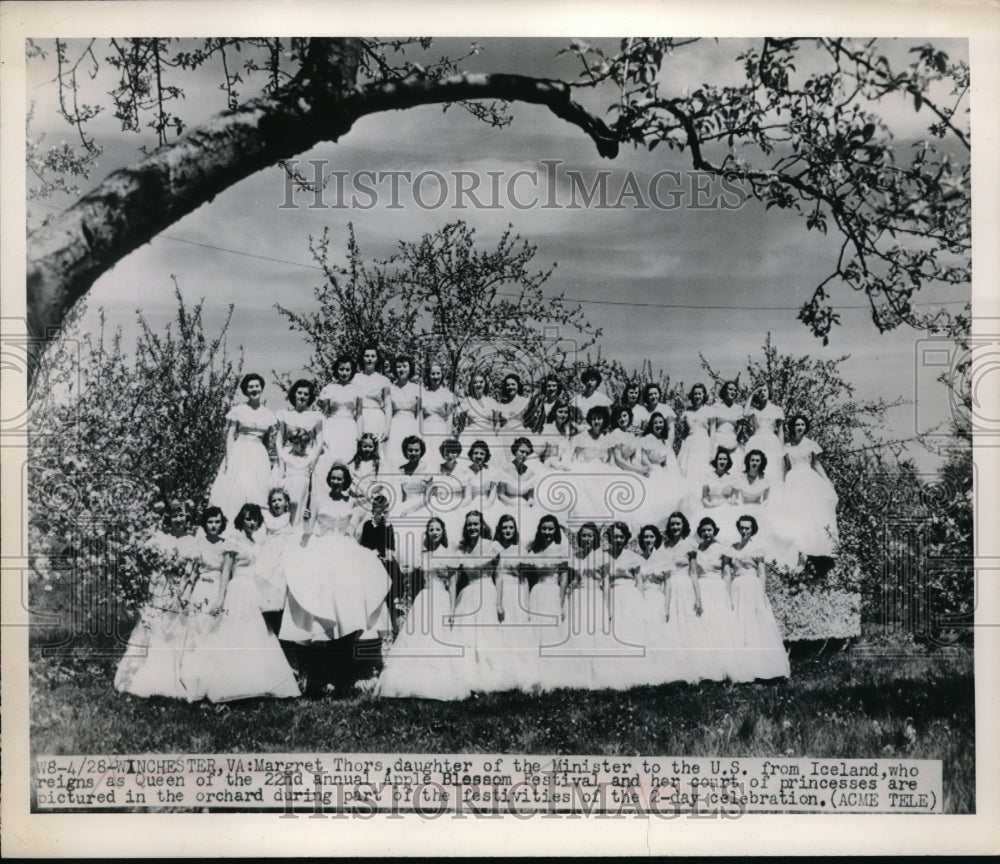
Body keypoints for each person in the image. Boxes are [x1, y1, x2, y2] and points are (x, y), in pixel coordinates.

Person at [278, 464, 391, 694]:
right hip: (322, 544)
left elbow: (352, 528)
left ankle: (349, 654)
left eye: (341, 479)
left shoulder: (351, 502)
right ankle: (321, 659)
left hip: (345, 545)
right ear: (328, 480)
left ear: (346, 481)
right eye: (333, 478)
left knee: (355, 583)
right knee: (322, 587)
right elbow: (308, 528)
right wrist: (308, 519)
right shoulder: (318, 498)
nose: (337, 482)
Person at [178, 506, 300, 702]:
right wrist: (220, 598)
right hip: (237, 590)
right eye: (248, 519)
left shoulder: (256, 543)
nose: (251, 523)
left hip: (251, 591)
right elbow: (226, 572)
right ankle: (229, 683)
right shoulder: (233, 541)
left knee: (256, 633)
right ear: (241, 520)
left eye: (255, 520)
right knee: (233, 633)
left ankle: (258, 680)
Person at [377, 518, 470, 700]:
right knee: (418, 638)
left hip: (441, 598)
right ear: (427, 532)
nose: (434, 532)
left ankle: (438, 683)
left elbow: (452, 584)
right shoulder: (423, 555)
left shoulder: (449, 554)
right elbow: (416, 578)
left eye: (437, 529)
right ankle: (411, 680)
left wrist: (451, 610)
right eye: (431, 529)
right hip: (424, 598)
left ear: (443, 532)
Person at [115, 500, 197, 699]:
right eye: (175, 515)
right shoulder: (159, 539)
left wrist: (185, 590)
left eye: (182, 515)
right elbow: (144, 562)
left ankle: (175, 677)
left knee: (175, 631)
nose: (179, 519)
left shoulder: (192, 541)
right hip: (159, 587)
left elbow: (194, 570)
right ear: (169, 517)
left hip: (179, 591)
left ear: (187, 518)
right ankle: (145, 677)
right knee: (154, 629)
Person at [728, 515, 791, 681]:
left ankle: (764, 667)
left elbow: (762, 573)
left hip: (752, 587)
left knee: (755, 622)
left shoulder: (757, 548)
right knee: (739, 622)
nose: (744, 531)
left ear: (752, 529)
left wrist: (762, 594)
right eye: (741, 527)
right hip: (737, 587)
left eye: (747, 528)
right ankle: (742, 667)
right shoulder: (733, 548)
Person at [209, 373, 277, 519]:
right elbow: (229, 436)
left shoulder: (268, 414)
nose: (254, 389)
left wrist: (268, 461)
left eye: (257, 386)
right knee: (237, 488)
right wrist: (229, 459)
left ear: (262, 388)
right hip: (240, 451)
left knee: (257, 489)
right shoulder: (238, 410)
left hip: (259, 454)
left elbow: (267, 441)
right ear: (246, 390)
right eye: (250, 387)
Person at [635, 524, 692, 685]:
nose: (648, 540)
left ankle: (663, 669)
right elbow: (638, 583)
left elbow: (667, 584)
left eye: (651, 537)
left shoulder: (663, 559)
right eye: (645, 537)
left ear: (656, 538)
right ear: (641, 539)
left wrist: (666, 607)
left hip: (658, 599)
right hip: (643, 598)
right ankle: (646, 670)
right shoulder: (637, 559)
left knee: (660, 633)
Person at [777, 415, 839, 559]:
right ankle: (799, 549)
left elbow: (816, 464)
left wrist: (827, 480)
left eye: (802, 425)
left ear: (806, 427)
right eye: (797, 425)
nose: (799, 427)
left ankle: (816, 548)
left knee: (813, 513)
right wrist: (782, 484)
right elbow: (785, 467)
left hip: (809, 479)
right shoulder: (786, 446)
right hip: (793, 480)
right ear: (793, 427)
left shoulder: (811, 444)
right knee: (797, 513)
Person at [690, 517, 742, 682]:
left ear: (714, 531)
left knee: (719, 625)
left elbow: (726, 573)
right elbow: (693, 573)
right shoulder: (696, 549)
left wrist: (727, 595)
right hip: (701, 588)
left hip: (717, 589)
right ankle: (704, 667)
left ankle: (722, 667)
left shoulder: (722, 549)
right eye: (703, 530)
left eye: (709, 530)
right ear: (700, 532)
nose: (706, 533)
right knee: (702, 626)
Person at [524, 514, 571, 689]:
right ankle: (536, 675)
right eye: (544, 528)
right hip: (537, 593)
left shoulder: (561, 549)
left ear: (556, 530)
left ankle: (553, 676)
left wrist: (560, 602)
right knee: (536, 633)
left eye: (551, 528)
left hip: (553, 593)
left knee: (551, 633)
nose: (547, 532)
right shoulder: (534, 549)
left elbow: (564, 578)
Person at [600, 521, 647, 688]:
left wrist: (642, 603)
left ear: (626, 538)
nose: (618, 540)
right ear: (609, 538)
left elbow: (639, 581)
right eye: (615, 537)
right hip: (614, 595)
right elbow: (605, 582)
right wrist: (607, 607)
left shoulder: (633, 557)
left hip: (631, 596)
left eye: (621, 537)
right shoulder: (604, 556)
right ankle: (616, 673)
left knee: (632, 631)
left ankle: (636, 671)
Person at [313, 355, 361, 505]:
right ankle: (328, 500)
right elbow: (324, 413)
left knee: (349, 461)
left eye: (348, 370)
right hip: (333, 427)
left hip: (350, 428)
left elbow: (359, 414)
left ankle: (348, 500)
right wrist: (321, 435)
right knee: (329, 460)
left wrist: (359, 434)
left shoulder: (357, 390)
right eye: (341, 369)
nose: (344, 372)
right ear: (336, 370)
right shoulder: (329, 388)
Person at [660, 512, 701, 684]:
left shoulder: (690, 546)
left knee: (687, 624)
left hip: (684, 587)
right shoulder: (665, 546)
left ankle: (690, 666)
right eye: (672, 524)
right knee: (669, 624)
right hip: (668, 586)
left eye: (678, 524)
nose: (675, 527)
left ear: (683, 525)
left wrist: (698, 597)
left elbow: (693, 572)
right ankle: (671, 666)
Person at [274, 379, 324, 518]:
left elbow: (319, 441)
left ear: (310, 397)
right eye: (299, 393)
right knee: (285, 491)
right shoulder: (285, 414)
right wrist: (281, 461)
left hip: (308, 456)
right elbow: (279, 439)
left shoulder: (315, 416)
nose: (302, 396)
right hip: (288, 455)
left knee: (306, 491)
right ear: (294, 394)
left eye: (306, 394)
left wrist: (313, 461)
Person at [359, 493, 404, 634]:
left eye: (386, 513)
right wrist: (377, 554)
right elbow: (366, 545)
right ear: (373, 512)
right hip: (372, 559)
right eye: (380, 513)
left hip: (386, 560)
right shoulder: (368, 526)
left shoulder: (388, 526)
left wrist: (389, 552)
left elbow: (391, 545)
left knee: (394, 569)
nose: (383, 516)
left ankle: (395, 599)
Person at [636, 411, 684, 526]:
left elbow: (668, 461)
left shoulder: (665, 442)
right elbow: (643, 458)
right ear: (651, 425)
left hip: (663, 471)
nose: (658, 425)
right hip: (651, 470)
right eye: (656, 423)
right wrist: (652, 469)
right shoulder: (646, 439)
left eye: (661, 422)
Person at [743, 384, 785, 483]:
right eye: (760, 391)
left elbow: (780, 432)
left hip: (771, 442)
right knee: (755, 466)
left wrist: (781, 450)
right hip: (756, 441)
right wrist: (752, 394)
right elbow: (745, 414)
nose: (763, 393)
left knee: (771, 467)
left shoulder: (777, 410)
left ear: (769, 392)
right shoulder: (754, 410)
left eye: (765, 390)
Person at [385, 356, 421, 471]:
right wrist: (387, 431)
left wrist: (420, 431)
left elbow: (419, 412)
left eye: (405, 366)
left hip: (411, 425)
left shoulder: (417, 388)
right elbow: (388, 411)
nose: (401, 369)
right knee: (394, 455)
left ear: (410, 368)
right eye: (398, 366)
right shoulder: (390, 388)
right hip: (395, 426)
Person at [354, 345, 393, 443]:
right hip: (358, 417)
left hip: (377, 418)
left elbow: (388, 406)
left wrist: (387, 430)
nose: (370, 359)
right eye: (367, 356)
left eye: (373, 356)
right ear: (362, 358)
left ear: (377, 359)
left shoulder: (384, 380)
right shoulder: (355, 378)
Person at [676, 383, 713, 482]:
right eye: (695, 394)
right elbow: (684, 432)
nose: (697, 396)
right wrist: (682, 448)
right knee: (688, 470)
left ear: (704, 395)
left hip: (704, 443)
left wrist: (712, 451)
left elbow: (713, 433)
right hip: (689, 444)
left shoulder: (710, 411)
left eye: (699, 394)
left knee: (702, 471)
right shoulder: (688, 411)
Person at [456, 370, 500, 451]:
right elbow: (461, 424)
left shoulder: (492, 402)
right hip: (469, 437)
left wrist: (493, 437)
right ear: (472, 385)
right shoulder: (466, 401)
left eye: (481, 382)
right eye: (475, 382)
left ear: (485, 383)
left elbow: (497, 423)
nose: (478, 384)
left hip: (488, 437)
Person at [420, 361, 455, 452]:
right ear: (428, 375)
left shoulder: (448, 395)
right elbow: (419, 416)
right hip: (425, 430)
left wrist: (448, 438)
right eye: (433, 374)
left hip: (440, 430)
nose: (436, 377)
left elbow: (449, 419)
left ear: (442, 374)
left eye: (438, 373)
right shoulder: (423, 394)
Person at [710, 380, 744, 460]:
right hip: (718, 440)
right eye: (730, 389)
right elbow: (712, 428)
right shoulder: (716, 407)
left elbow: (740, 428)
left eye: (735, 390)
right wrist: (714, 444)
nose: (733, 392)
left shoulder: (739, 408)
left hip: (732, 440)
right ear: (725, 390)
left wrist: (735, 441)